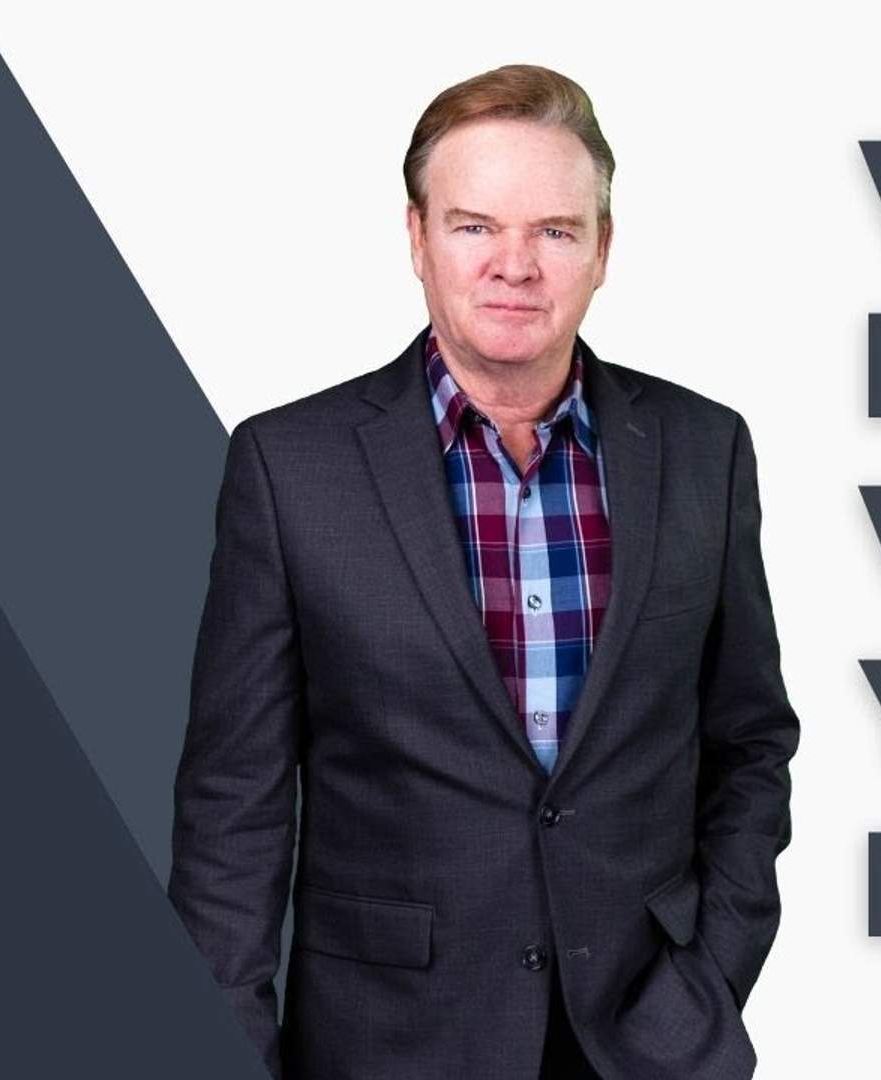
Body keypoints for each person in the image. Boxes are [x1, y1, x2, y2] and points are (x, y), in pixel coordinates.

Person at [166, 63, 798, 1080]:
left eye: (555, 230)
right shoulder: (292, 467)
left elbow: (750, 741)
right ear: (416, 238)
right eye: (475, 226)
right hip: (388, 1045)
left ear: (603, 252)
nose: (517, 265)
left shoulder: (702, 450)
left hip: (644, 1042)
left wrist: (709, 975)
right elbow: (234, 805)